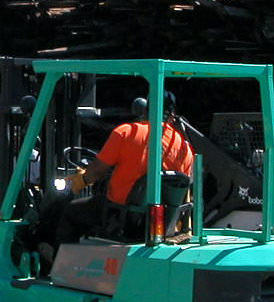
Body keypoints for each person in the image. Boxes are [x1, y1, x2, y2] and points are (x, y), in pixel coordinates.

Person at [58, 94, 194, 243]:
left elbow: (97, 170)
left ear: (145, 110)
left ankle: (57, 262)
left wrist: (81, 180)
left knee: (71, 212)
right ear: (172, 115)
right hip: (160, 223)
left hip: (120, 215)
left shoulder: (127, 132)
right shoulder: (184, 148)